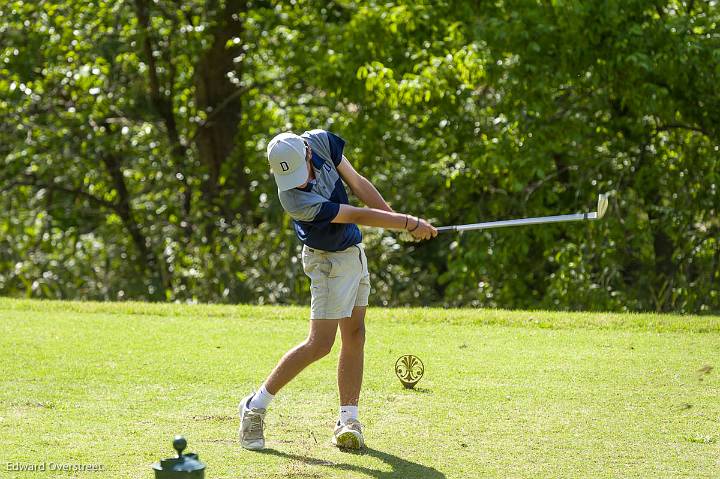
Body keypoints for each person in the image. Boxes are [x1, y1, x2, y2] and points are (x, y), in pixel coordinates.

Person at [239, 129, 437, 450]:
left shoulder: (320, 141)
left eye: (302, 174)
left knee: (355, 334)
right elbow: (355, 214)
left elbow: (357, 184)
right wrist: (407, 223)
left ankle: (348, 419)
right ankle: (255, 406)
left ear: (306, 152)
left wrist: (398, 220)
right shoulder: (295, 200)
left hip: (352, 252)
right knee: (319, 345)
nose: (301, 183)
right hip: (327, 263)